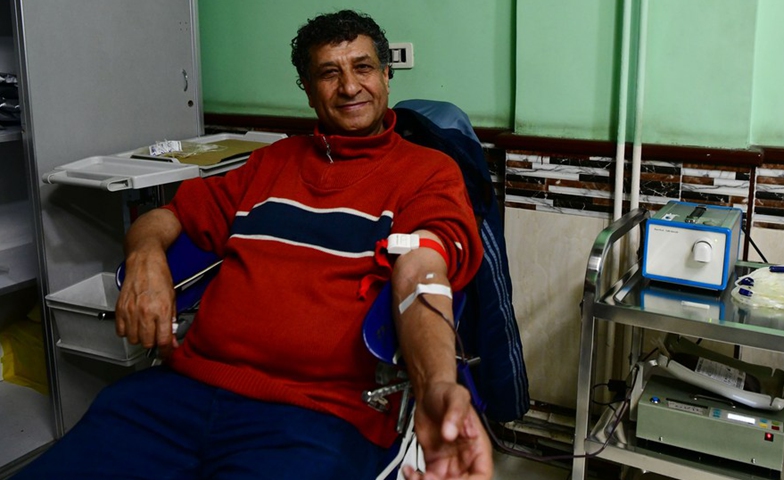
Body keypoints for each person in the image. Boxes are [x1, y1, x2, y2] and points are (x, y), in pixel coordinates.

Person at [14, 9, 492, 480]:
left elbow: (421, 274)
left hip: (315, 416)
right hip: (178, 394)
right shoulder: (268, 164)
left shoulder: (426, 172)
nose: (349, 87)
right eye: (329, 73)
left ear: (387, 76)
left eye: (363, 67)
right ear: (306, 88)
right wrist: (144, 257)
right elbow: (166, 217)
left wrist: (437, 388)